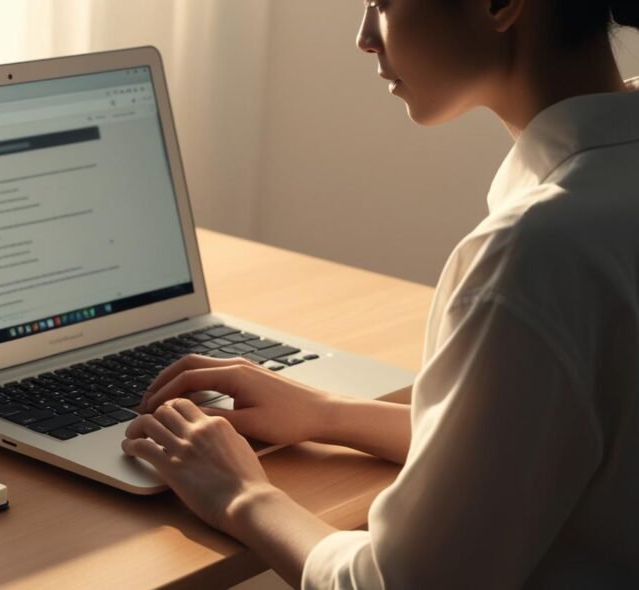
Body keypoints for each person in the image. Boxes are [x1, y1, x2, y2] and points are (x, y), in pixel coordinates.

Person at [122, 0, 639, 587]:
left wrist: (239, 494)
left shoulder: (535, 256)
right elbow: (537, 441)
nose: (366, 37)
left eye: (383, 2)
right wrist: (329, 415)